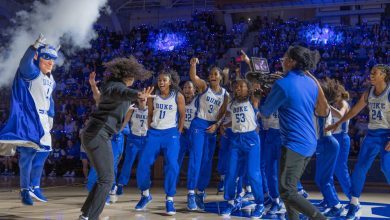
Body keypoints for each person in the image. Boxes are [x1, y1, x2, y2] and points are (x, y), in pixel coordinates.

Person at [79, 57, 153, 220]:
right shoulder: (115, 86)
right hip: (97, 133)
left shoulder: (116, 90)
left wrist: (139, 101)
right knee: (107, 179)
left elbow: (120, 115)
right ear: (129, 75)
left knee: (104, 178)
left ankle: (86, 214)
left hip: (97, 134)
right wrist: (136, 94)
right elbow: (122, 92)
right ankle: (92, 217)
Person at [259, 45, 326, 220]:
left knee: (287, 191)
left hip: (294, 144)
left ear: (291, 61)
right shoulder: (310, 82)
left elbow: (266, 111)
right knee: (291, 187)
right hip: (310, 141)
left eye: (284, 57)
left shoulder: (282, 84)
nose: (282, 60)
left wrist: (259, 95)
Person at [0, 34, 59, 205]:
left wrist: (51, 115)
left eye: (53, 59)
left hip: (44, 119)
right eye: (46, 58)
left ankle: (35, 187)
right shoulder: (31, 72)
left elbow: (51, 99)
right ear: (37, 57)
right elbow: (23, 63)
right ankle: (24, 190)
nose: (50, 62)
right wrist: (34, 46)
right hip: (30, 119)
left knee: (44, 152)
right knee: (27, 155)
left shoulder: (52, 79)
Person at [326, 64, 390, 220]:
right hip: (372, 135)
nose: (371, 75)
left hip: (387, 135)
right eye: (371, 72)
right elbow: (354, 110)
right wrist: (337, 123)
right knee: (360, 168)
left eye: (375, 73)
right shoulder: (369, 92)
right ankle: (354, 203)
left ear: (384, 75)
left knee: (386, 168)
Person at [135, 70, 185, 215]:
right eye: (159, 80)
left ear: (170, 82)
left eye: (164, 80)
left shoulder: (178, 96)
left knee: (172, 164)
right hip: (154, 133)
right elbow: (150, 113)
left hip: (171, 134)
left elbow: (182, 115)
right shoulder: (153, 95)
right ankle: (145, 194)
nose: (161, 82)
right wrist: (150, 128)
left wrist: (179, 131)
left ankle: (169, 199)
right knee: (143, 163)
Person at [187, 58, 229, 210]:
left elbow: (224, 113)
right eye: (210, 74)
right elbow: (194, 78)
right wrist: (193, 65)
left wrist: (217, 125)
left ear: (220, 77)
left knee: (206, 161)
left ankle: (200, 191)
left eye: (215, 74)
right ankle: (191, 193)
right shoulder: (204, 87)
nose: (212, 75)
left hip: (212, 127)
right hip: (199, 124)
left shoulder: (225, 94)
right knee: (196, 158)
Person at [220, 80, 265, 218]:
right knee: (231, 173)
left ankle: (260, 204)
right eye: (236, 86)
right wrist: (224, 126)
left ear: (248, 89)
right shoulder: (232, 103)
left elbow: (256, 84)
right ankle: (231, 201)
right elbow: (236, 120)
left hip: (251, 139)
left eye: (242, 86)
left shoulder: (253, 100)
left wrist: (247, 64)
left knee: (253, 173)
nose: (238, 88)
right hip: (236, 139)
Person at [116, 96, 148, 196]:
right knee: (128, 162)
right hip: (133, 138)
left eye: (144, 97)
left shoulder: (151, 109)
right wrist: (116, 131)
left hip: (146, 139)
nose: (142, 98)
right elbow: (124, 123)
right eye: (140, 97)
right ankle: (120, 184)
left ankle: (144, 189)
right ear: (137, 99)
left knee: (143, 165)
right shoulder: (133, 109)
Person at [177, 81, 197, 179]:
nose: (187, 90)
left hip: (194, 133)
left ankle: (192, 185)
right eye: (185, 87)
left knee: (194, 159)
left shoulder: (198, 100)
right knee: (177, 159)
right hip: (182, 132)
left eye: (189, 87)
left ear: (194, 90)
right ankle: (173, 183)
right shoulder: (179, 100)